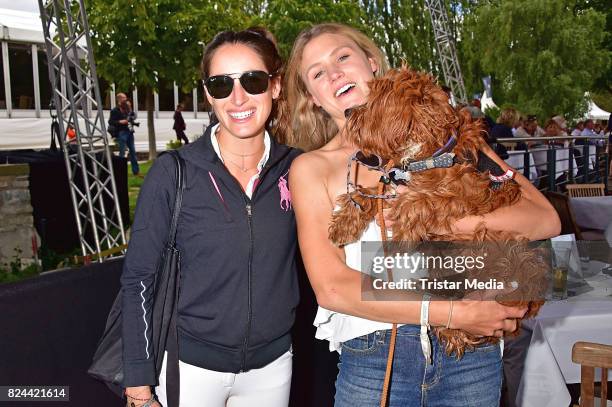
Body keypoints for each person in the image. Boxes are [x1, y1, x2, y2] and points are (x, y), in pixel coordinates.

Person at [282, 23, 560, 406]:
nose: (334, 74)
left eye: (342, 57)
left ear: (372, 62)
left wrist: (446, 222)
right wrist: (454, 312)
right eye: (317, 73)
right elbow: (331, 287)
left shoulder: (443, 132)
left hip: (471, 359)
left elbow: (545, 219)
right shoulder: (312, 169)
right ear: (312, 97)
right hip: (376, 360)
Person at [121, 27, 301, 407]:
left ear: (275, 86)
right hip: (190, 370)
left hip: (273, 369)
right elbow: (138, 279)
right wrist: (138, 383)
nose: (238, 97)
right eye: (221, 84)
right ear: (208, 94)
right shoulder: (175, 172)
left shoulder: (297, 169)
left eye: (252, 80)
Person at [109, 93, 140, 175]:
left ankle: (136, 171)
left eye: (126, 97)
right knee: (122, 152)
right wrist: (120, 121)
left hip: (129, 131)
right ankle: (121, 171)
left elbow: (133, 116)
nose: (126, 99)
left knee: (133, 151)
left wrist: (130, 109)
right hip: (121, 132)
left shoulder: (127, 108)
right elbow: (111, 121)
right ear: (119, 99)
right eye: (124, 98)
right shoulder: (115, 110)